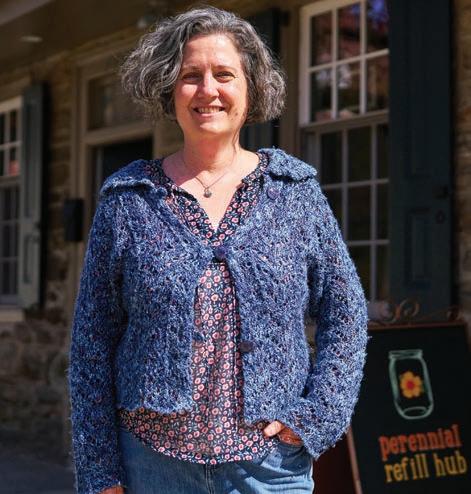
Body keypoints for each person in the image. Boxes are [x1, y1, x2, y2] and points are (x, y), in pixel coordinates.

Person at [68, 6, 369, 494]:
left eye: (224, 75)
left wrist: (318, 415)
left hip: (268, 469)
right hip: (151, 466)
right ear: (169, 89)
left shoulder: (294, 192)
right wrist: (100, 471)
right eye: (191, 76)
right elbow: (92, 343)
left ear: (251, 89)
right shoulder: (129, 199)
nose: (208, 90)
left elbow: (346, 310)